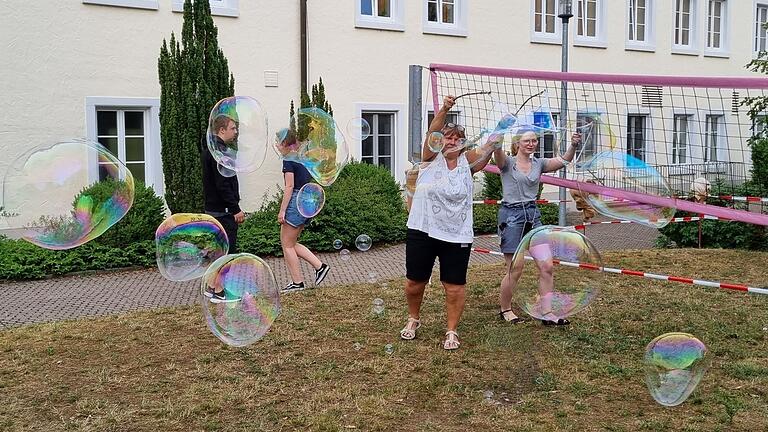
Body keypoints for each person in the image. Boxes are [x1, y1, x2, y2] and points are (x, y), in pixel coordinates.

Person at [400, 95, 496, 350]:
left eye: (457, 138)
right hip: (422, 228)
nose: (452, 141)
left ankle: (451, 330)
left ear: (464, 144)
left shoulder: (468, 163)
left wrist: (497, 138)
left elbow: (487, 151)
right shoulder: (430, 158)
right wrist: (444, 109)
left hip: (456, 234)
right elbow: (433, 131)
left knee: (454, 285)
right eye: (448, 137)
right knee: (414, 282)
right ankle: (413, 319)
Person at [493, 128, 581, 325]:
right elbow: (497, 154)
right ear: (517, 143)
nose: (531, 144)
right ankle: (505, 309)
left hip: (533, 216)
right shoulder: (507, 162)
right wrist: (496, 138)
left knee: (546, 266)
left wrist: (573, 145)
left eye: (534, 140)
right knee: (515, 268)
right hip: (512, 217)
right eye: (527, 141)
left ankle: (547, 313)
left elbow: (563, 160)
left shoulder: (539, 163)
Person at [276, 129, 330, 293]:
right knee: (291, 243)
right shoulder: (302, 157)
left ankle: (297, 283)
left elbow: (290, 186)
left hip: (295, 201)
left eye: (278, 141)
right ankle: (320, 267)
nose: (276, 145)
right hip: (307, 201)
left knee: (286, 245)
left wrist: (282, 211)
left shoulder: (288, 160)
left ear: (285, 143)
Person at [201, 114, 245, 303]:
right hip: (224, 211)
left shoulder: (208, 150)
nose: (235, 132)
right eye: (233, 128)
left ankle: (212, 287)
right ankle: (220, 291)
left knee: (218, 251)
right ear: (221, 130)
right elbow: (223, 184)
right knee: (227, 252)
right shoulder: (221, 152)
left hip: (213, 209)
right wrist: (235, 208)